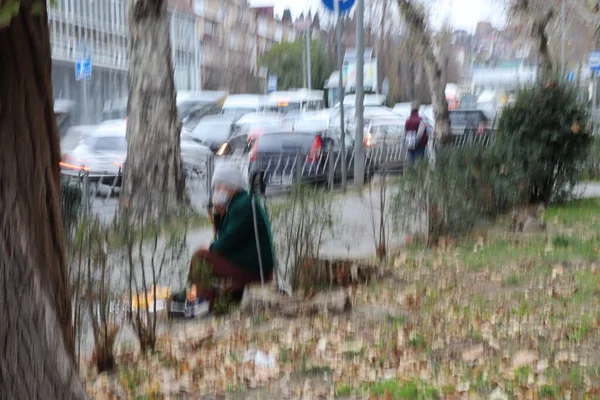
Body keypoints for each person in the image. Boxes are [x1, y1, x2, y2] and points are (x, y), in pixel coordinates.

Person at [187, 162, 275, 313]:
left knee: (200, 256)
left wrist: (209, 247)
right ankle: (208, 298)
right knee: (205, 254)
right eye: (216, 188)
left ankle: (204, 302)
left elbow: (223, 245)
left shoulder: (242, 206)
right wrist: (218, 213)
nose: (217, 191)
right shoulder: (237, 203)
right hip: (252, 264)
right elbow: (222, 236)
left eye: (220, 187)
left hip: (256, 269)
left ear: (232, 187)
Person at [404, 100, 428, 168]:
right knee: (419, 163)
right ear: (418, 109)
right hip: (419, 144)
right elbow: (420, 133)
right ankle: (419, 176)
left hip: (409, 143)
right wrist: (416, 140)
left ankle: (412, 176)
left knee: (411, 162)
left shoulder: (407, 120)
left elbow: (405, 131)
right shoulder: (420, 120)